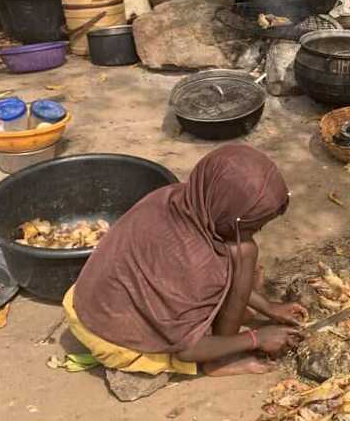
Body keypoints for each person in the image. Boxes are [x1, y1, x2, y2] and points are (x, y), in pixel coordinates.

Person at [63, 146, 306, 379]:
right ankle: (217, 363)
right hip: (112, 337)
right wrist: (256, 338)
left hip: (88, 302)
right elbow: (187, 349)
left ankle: (230, 334)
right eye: (252, 227)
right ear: (224, 213)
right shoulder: (196, 263)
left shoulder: (178, 197)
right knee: (244, 251)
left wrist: (268, 307)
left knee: (243, 251)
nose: (256, 232)